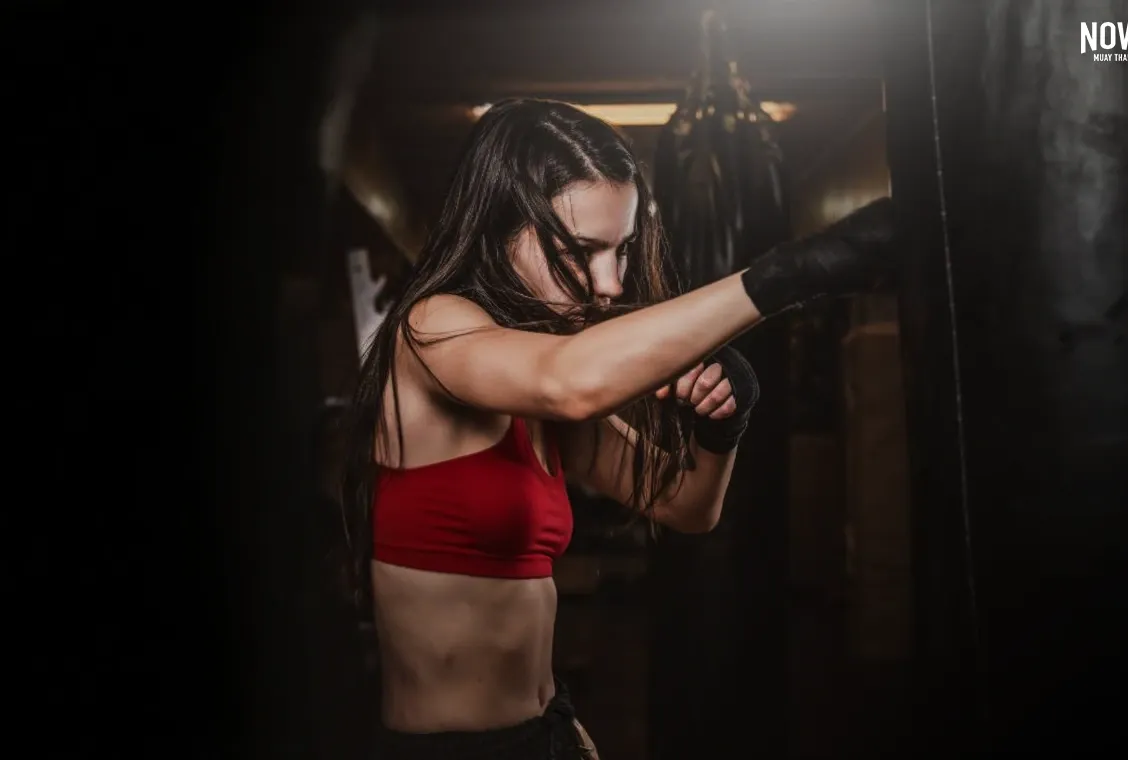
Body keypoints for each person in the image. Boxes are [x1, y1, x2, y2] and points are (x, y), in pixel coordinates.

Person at [340, 97, 895, 759]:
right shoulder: (432, 329)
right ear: (499, 228)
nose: (608, 283)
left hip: (546, 733)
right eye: (580, 252)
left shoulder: (537, 388)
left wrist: (722, 427)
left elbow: (686, 506)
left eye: (621, 250)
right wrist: (788, 276)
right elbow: (568, 381)